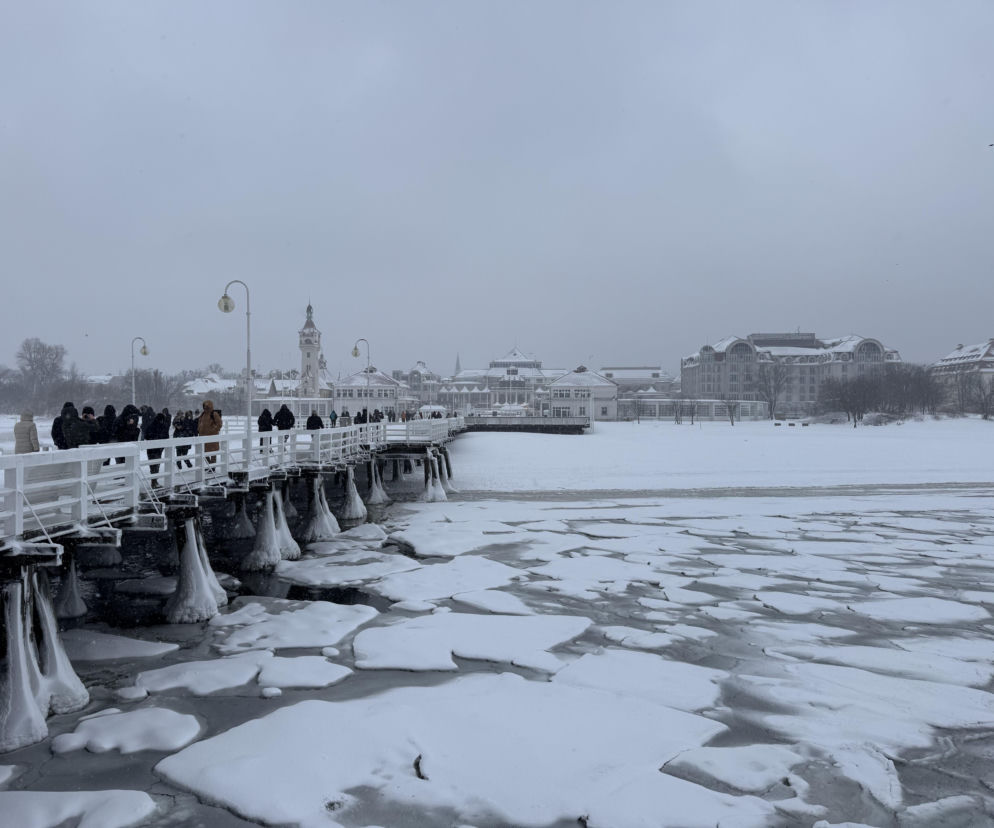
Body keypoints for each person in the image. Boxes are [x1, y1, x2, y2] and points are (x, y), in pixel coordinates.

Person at [145, 409, 171, 487]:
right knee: (156, 465)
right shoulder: (163, 427)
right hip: (158, 449)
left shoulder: (151, 425)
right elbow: (166, 437)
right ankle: (154, 482)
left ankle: (154, 481)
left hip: (150, 449)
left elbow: (146, 436)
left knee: (152, 465)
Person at [197, 400, 222, 467]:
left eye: (207, 406)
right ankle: (210, 466)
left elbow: (219, 424)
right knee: (203, 452)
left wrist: (213, 430)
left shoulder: (214, 414)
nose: (205, 407)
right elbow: (199, 423)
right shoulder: (202, 414)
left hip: (212, 437)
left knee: (213, 452)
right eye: (204, 406)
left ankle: (212, 467)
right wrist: (199, 430)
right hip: (203, 437)